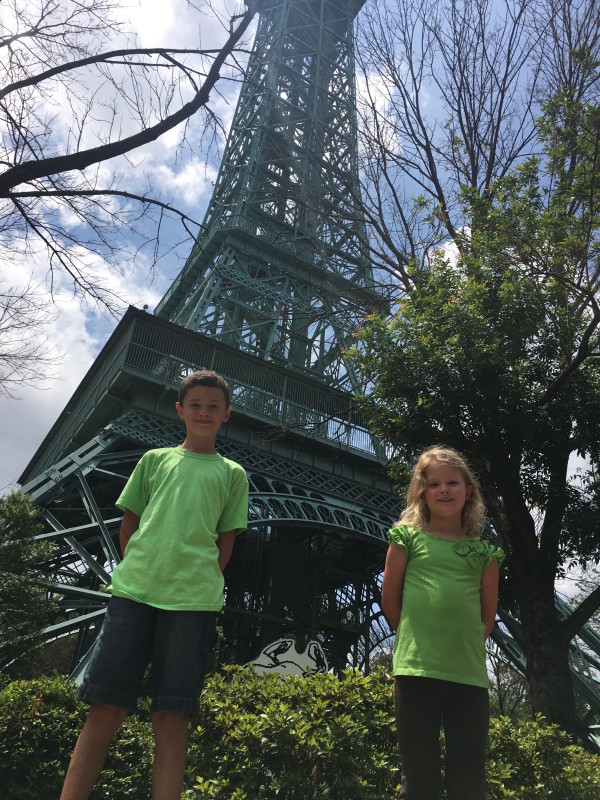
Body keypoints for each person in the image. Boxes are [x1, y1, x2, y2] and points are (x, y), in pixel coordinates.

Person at [60, 370, 249, 800]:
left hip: (192, 603)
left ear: (226, 415)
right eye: (195, 404)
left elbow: (226, 542)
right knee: (104, 708)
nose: (204, 412)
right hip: (135, 595)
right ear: (180, 410)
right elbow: (130, 527)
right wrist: (142, 569)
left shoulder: (233, 474)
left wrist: (200, 578)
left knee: (172, 715)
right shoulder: (154, 460)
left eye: (213, 406)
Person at [381, 446, 503, 800]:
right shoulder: (406, 539)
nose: (444, 490)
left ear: (469, 491)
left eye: (453, 482)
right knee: (419, 780)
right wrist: (416, 640)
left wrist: (457, 643)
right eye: (435, 484)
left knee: (469, 783)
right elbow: (390, 600)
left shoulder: (485, 554)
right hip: (416, 672)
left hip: (468, 676)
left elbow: (487, 616)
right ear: (422, 492)